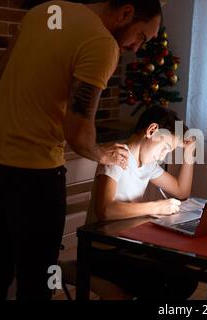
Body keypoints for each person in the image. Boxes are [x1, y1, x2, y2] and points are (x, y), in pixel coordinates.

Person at [0, 0, 162, 300]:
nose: (137, 48)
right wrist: (104, 154)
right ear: (127, 12)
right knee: (37, 280)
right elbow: (78, 134)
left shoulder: (45, 10)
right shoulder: (103, 44)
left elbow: (1, 72)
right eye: (142, 37)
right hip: (34, 174)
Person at [85, 106, 198, 300]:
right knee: (166, 285)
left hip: (130, 247)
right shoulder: (117, 155)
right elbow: (105, 210)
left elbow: (182, 190)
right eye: (164, 148)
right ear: (152, 130)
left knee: (186, 278)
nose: (163, 156)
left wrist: (189, 152)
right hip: (102, 251)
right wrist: (157, 207)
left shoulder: (148, 166)